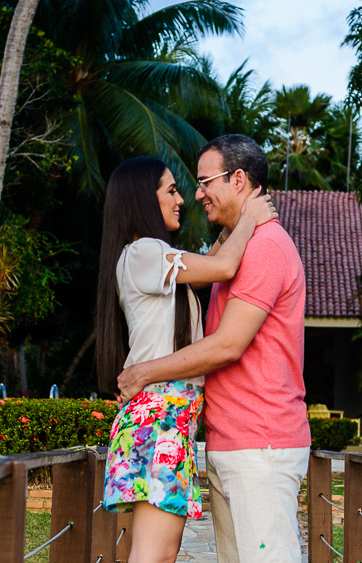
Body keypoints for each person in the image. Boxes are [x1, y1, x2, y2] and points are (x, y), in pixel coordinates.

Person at [117, 134, 310, 563]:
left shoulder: (262, 249)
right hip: (218, 438)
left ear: (238, 179)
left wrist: (144, 371)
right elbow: (215, 267)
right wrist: (243, 222)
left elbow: (226, 345)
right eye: (177, 188)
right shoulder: (150, 253)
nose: (194, 194)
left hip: (257, 444)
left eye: (205, 182)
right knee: (156, 554)